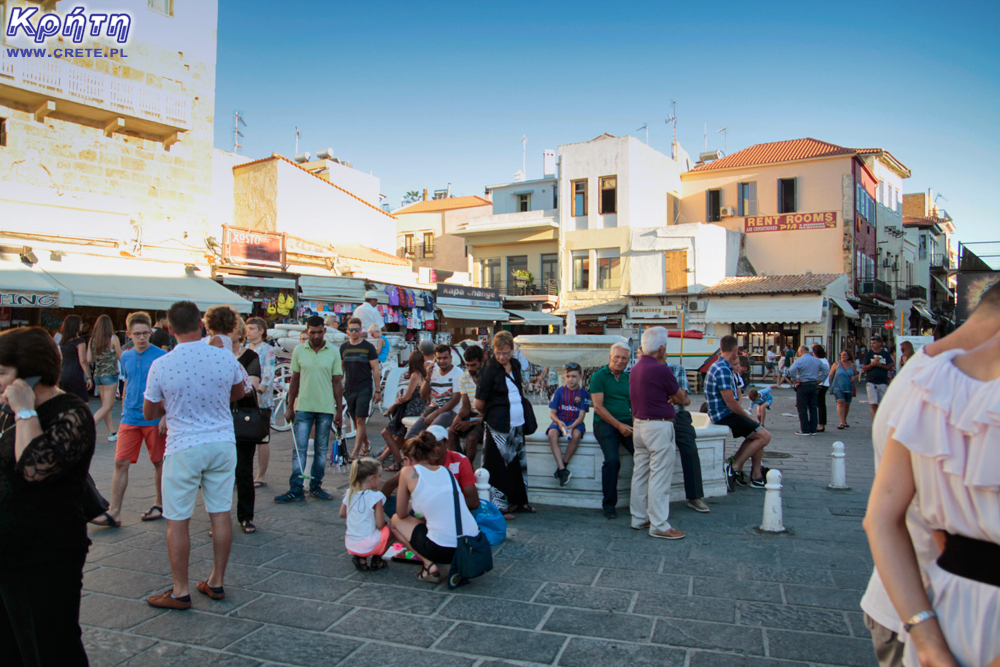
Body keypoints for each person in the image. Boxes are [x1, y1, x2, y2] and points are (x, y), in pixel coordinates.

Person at [859, 281, 1000, 667]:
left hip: (927, 609)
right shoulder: (933, 382)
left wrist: (930, 644)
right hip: (917, 596)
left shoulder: (929, 381)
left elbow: (885, 517)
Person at [0, 327, 96, 665]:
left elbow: (33, 468)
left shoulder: (71, 412)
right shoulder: (6, 411)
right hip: (8, 551)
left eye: (2, 372)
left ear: (28, 373)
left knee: (51, 646)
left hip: (46, 552)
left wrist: (25, 410)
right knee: (10, 645)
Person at [142, 301, 246, 610]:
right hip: (222, 441)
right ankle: (216, 581)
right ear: (201, 324)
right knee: (220, 512)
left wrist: (172, 405)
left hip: (183, 445)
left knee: (178, 520)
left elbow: (149, 410)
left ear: (170, 330)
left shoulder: (162, 364)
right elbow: (240, 391)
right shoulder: (223, 356)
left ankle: (180, 590)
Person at [91, 312, 168, 527]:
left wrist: (165, 417)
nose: (142, 338)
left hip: (154, 417)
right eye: (137, 334)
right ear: (129, 334)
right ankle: (114, 511)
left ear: (151, 332)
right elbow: (127, 385)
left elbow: (169, 390)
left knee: (158, 461)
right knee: (120, 461)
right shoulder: (125, 356)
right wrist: (124, 408)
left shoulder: (161, 357)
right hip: (130, 417)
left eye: (145, 333)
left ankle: (159, 503)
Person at [389, 431, 479, 584]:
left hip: (443, 550)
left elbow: (401, 513)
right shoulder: (445, 470)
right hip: (471, 545)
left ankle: (429, 565)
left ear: (407, 459)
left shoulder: (407, 471)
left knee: (395, 521)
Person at [275, 315, 344, 503]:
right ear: (307, 332)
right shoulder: (299, 350)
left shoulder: (333, 352)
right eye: (312, 332)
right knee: (299, 449)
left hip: (325, 407)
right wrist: (290, 406)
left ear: (324, 331)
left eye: (319, 332)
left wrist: (339, 411)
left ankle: (316, 486)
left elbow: (337, 382)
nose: (315, 335)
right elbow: (294, 380)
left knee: (321, 450)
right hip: (304, 406)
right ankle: (296, 488)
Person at [629, 327, 688, 540]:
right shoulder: (661, 369)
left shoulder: (636, 368)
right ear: (661, 348)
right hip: (659, 426)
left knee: (641, 473)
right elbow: (681, 397)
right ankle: (659, 524)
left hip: (640, 425)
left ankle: (638, 517)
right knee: (659, 477)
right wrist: (673, 397)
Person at [475, 331, 534, 517]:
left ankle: (519, 502)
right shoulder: (489, 370)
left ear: (512, 351)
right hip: (498, 425)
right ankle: (498, 507)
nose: (502, 357)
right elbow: (479, 403)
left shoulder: (515, 365)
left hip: (517, 423)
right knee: (498, 466)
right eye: (499, 352)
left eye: (506, 353)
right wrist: (494, 414)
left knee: (518, 463)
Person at [706, 335, 772, 491]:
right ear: (735, 349)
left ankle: (755, 475)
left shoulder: (720, 366)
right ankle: (734, 466)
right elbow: (730, 402)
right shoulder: (722, 368)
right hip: (724, 414)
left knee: (757, 433)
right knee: (764, 436)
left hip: (722, 412)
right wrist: (747, 415)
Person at [380, 424, 478, 517]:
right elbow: (389, 485)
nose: (433, 449)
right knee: (385, 502)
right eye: (429, 445)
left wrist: (434, 508)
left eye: (437, 444)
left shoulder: (460, 461)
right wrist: (376, 511)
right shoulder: (420, 459)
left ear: (447, 443)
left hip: (450, 513)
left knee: (397, 522)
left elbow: (473, 502)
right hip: (423, 511)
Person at [590, 342, 634, 519]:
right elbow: (598, 407)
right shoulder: (599, 376)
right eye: (617, 357)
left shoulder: (628, 378)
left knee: (643, 455)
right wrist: (619, 426)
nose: (620, 361)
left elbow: (634, 404)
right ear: (610, 357)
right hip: (605, 423)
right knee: (612, 460)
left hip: (626, 420)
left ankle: (640, 500)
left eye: (624, 358)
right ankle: (609, 504)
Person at [230, 315, 261, 534]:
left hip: (243, 417)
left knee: (244, 470)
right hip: (219, 418)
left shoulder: (250, 356)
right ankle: (219, 518)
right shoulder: (215, 355)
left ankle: (245, 516)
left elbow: (252, 385)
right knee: (220, 472)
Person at [667, 360, 709, 513]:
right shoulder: (641, 369)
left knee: (690, 449)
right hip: (656, 416)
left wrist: (677, 398)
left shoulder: (676, 369)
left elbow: (681, 397)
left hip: (678, 414)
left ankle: (695, 496)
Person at [339, 457, 389, 572]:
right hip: (369, 546)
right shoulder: (376, 497)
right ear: (372, 478)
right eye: (379, 476)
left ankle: (361, 559)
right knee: (392, 527)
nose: (380, 480)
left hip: (350, 545)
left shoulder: (350, 492)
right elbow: (380, 524)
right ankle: (377, 559)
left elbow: (342, 513)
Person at [341, 317, 381, 459]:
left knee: (360, 419)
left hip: (364, 387)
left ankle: (355, 453)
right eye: (351, 329)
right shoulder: (344, 347)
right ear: (347, 330)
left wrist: (377, 390)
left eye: (357, 329)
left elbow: (375, 369)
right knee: (356, 420)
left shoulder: (368, 347)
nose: (354, 332)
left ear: (361, 330)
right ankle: (366, 443)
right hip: (349, 388)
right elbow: (341, 369)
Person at [379, 351, 426, 472]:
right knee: (399, 439)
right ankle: (384, 458)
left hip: (410, 410)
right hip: (420, 409)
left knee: (386, 434)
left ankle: (398, 462)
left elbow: (407, 396)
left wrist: (396, 402)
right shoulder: (425, 374)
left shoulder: (415, 375)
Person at [546, 362, 590, 487]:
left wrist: (573, 426)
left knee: (576, 435)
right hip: (560, 420)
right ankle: (562, 469)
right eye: (568, 376)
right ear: (564, 377)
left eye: (574, 376)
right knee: (552, 434)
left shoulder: (584, 394)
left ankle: (563, 466)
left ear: (581, 377)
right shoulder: (559, 391)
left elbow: (581, 416)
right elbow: (552, 414)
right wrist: (559, 423)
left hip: (575, 422)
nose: (571, 379)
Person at [405, 344, 461, 438]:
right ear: (435, 358)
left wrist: (436, 414)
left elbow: (455, 400)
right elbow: (423, 396)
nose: (442, 361)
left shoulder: (458, 373)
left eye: (445, 358)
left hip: (450, 411)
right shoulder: (433, 371)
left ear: (451, 358)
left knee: (430, 435)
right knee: (410, 437)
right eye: (439, 358)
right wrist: (427, 378)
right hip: (432, 409)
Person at [246, 317, 276, 488]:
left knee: (262, 438)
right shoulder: (244, 348)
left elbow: (269, 373)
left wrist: (258, 391)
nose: (248, 331)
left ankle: (261, 474)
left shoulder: (268, 349)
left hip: (261, 398)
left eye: (251, 328)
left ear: (261, 331)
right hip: (245, 397)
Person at [88, 314, 122, 441]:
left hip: (98, 375)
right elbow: (121, 357)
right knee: (108, 406)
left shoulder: (92, 339)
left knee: (105, 405)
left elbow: (89, 359)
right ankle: (87, 428)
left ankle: (112, 432)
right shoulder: (113, 339)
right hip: (110, 375)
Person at [449, 345, 485, 463]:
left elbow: (488, 411)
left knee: (471, 438)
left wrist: (470, 422)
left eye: (473, 365)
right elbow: (465, 407)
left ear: (481, 362)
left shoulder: (489, 377)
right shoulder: (463, 378)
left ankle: (466, 470)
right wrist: (458, 418)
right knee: (451, 432)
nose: (470, 368)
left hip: (486, 417)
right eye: (467, 365)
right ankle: (458, 466)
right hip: (473, 415)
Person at [788, 345, 825, 436]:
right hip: (813, 384)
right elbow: (826, 370)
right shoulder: (817, 360)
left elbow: (792, 369)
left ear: (801, 351)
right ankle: (813, 429)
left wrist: (794, 379)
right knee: (813, 407)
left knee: (802, 407)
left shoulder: (800, 360)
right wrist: (820, 380)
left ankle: (805, 429)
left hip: (803, 384)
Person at [58, 315, 92, 406]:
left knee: (66, 402)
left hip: (63, 372)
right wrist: (89, 377)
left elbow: (61, 358)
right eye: (80, 323)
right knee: (83, 403)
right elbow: (83, 361)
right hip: (75, 374)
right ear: (75, 326)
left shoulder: (63, 342)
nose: (82, 325)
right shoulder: (79, 341)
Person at [861, 336, 894, 418]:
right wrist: (872, 364)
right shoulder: (868, 354)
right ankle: (874, 422)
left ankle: (881, 420)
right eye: (871, 343)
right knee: (873, 403)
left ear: (880, 343)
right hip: (871, 382)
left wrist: (880, 365)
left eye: (875, 343)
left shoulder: (885, 354)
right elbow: (864, 367)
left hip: (882, 382)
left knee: (882, 404)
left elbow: (890, 367)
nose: (873, 345)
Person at [828, 350, 856, 430]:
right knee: (840, 402)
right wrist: (827, 384)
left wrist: (855, 377)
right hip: (838, 386)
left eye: (845, 355)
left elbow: (856, 374)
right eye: (841, 355)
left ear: (849, 356)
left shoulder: (852, 365)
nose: (843, 356)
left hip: (848, 386)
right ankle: (841, 422)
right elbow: (831, 374)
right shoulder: (836, 364)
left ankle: (844, 420)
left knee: (847, 404)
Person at [813, 344, 831, 433]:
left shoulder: (821, 361)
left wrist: (818, 381)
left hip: (821, 384)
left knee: (820, 405)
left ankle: (821, 424)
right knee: (820, 404)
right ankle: (820, 423)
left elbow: (823, 372)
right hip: (824, 384)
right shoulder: (823, 360)